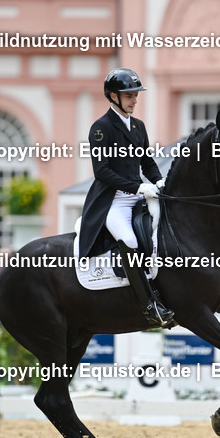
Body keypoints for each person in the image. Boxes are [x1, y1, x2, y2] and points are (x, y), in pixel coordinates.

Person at [77, 68, 173, 328]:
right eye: (129, 95)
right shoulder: (101, 128)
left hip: (138, 194)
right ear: (113, 96)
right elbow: (102, 172)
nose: (134, 100)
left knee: (166, 227)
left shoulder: (139, 126)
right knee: (129, 240)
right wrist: (138, 187)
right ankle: (149, 304)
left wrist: (159, 181)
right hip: (113, 200)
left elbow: (147, 162)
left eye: (135, 95)